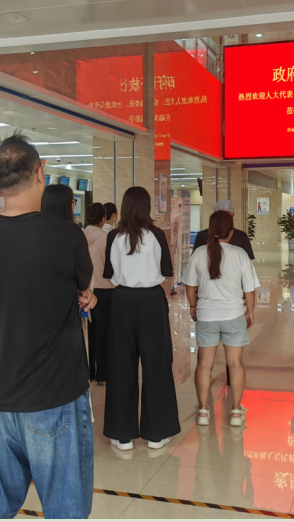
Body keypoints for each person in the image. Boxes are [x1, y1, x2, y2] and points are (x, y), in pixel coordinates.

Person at [0, 132, 96, 519]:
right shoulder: (66, 234)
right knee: (64, 507)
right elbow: (82, 285)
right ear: (41, 172)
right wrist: (86, 296)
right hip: (54, 392)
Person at [103, 187, 180, 451]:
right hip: (151, 302)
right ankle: (157, 433)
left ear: (123, 207)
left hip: (122, 300)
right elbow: (166, 271)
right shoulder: (156, 234)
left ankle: (122, 434)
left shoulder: (113, 235)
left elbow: (109, 274)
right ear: (147, 207)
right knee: (157, 363)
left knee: (120, 364)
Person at [184, 211, 259, 427]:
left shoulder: (199, 253)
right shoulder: (240, 254)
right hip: (233, 315)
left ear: (210, 230)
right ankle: (235, 411)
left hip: (206, 315)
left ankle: (203, 411)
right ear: (232, 232)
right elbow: (249, 288)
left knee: (204, 364)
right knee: (235, 364)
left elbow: (190, 285)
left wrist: (193, 306)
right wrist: (250, 311)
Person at [84, 203, 113, 386]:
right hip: (106, 291)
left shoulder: (80, 236)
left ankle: (89, 372)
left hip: (85, 291)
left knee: (89, 333)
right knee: (104, 334)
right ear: (103, 219)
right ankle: (103, 373)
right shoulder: (107, 238)